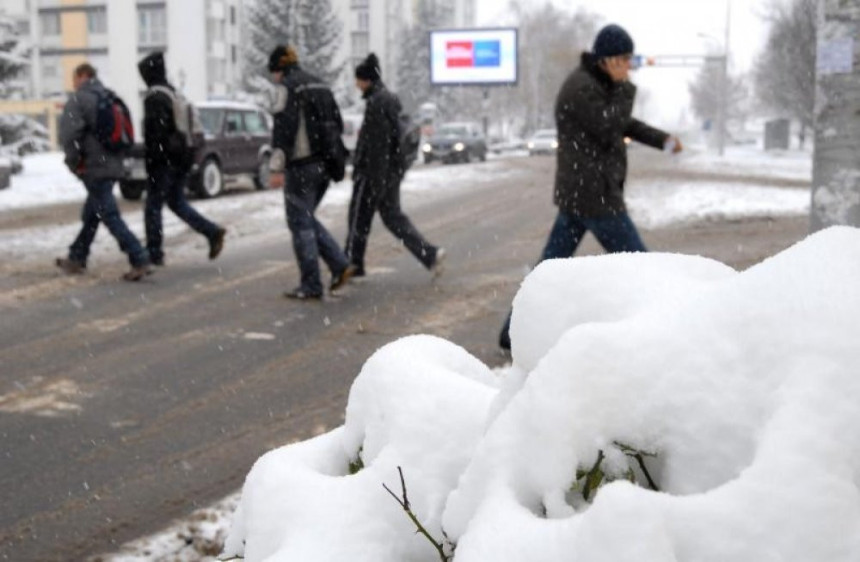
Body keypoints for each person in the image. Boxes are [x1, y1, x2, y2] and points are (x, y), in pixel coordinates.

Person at [498, 24, 683, 350]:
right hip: (594, 196)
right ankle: (667, 330)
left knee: (548, 270)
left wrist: (663, 140)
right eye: (625, 60)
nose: (629, 67)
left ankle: (511, 333)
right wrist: (626, 89)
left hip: (582, 195)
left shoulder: (596, 86)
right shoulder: (580, 88)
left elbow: (624, 123)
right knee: (642, 266)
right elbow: (609, 125)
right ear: (607, 60)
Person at [267, 45, 356, 300]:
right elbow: (338, 124)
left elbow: (283, 128)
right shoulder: (321, 85)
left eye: (273, 72)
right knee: (305, 218)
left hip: (301, 164)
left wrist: (276, 166)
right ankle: (339, 265)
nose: (274, 78)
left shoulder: (288, 87)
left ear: (279, 69)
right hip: (325, 165)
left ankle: (311, 284)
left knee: (299, 222)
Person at [345, 53, 445, 278]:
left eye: (358, 79)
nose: (356, 84)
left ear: (367, 80)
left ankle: (352, 265)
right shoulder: (388, 99)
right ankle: (429, 254)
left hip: (375, 175)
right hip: (390, 172)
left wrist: (374, 179)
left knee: (359, 220)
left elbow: (378, 146)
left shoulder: (378, 102)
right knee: (393, 218)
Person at [55, 63, 151, 281]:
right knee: (93, 213)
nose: (73, 83)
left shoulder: (80, 99)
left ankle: (139, 257)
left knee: (109, 214)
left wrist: (74, 164)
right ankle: (77, 257)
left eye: (74, 78)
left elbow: (69, 136)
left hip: (95, 167)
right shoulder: (109, 96)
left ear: (81, 76)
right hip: (113, 164)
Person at [138, 52, 226, 267]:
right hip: (182, 157)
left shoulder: (154, 98)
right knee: (176, 202)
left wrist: (153, 161)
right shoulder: (173, 93)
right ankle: (212, 231)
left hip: (164, 161)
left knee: (153, 206)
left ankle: (154, 252)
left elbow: (156, 135)